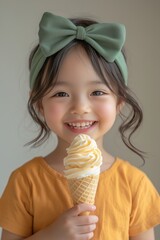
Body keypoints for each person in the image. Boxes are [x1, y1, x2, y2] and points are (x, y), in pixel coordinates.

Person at [0, 12, 160, 240]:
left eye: (97, 92)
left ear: (119, 102)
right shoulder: (25, 182)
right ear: (39, 104)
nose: (80, 107)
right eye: (61, 93)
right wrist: (51, 235)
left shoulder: (135, 185)